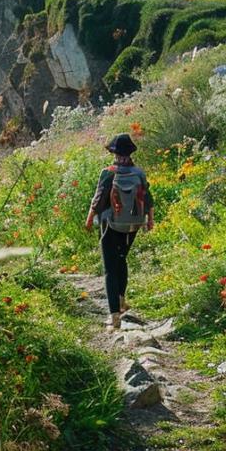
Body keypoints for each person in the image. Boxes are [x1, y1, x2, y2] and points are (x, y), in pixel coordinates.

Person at [84, 133, 154, 330]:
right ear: (130, 153)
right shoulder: (139, 173)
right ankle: (121, 300)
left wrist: (89, 220)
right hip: (133, 223)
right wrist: (150, 221)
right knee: (121, 258)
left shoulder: (108, 172)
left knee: (109, 267)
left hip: (110, 222)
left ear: (114, 153)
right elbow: (148, 198)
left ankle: (114, 315)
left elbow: (98, 201)